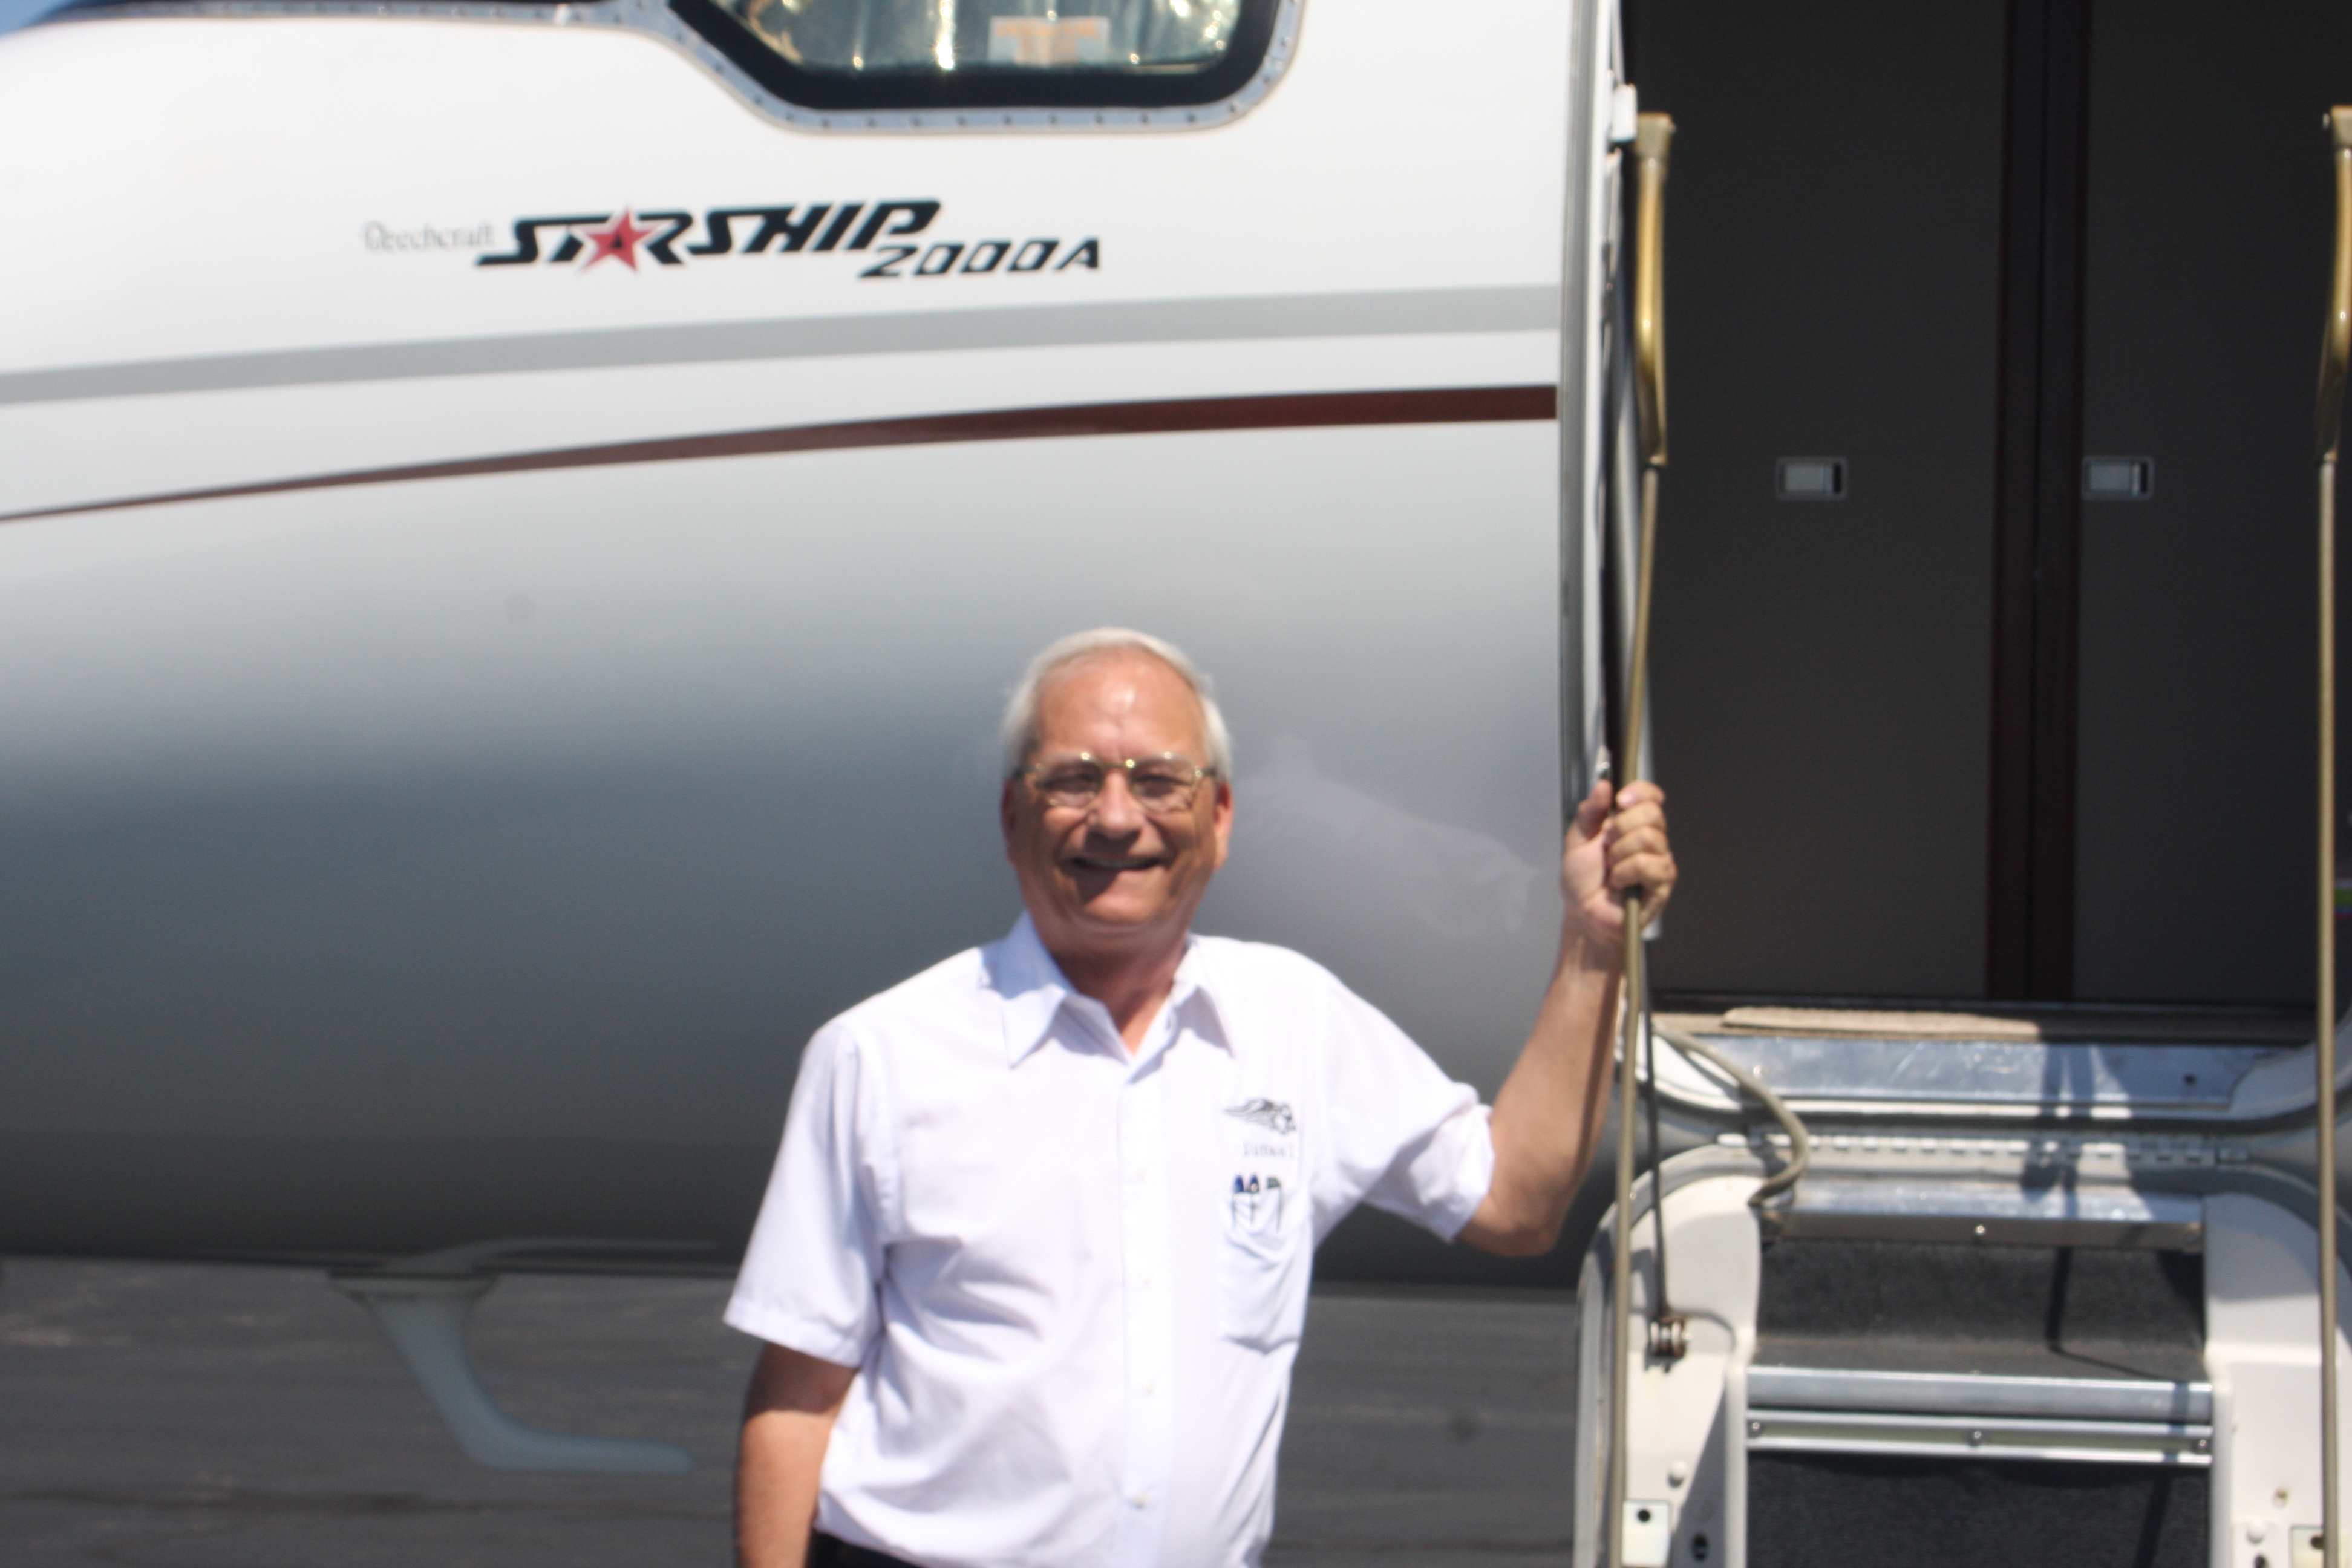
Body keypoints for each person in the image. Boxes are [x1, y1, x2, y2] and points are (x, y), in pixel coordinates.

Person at [727, 627, 1676, 1568]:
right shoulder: (880, 1056)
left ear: (1219, 818)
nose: (1115, 817)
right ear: (1012, 818)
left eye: (1158, 781)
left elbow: (1513, 1203)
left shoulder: (1294, 1020)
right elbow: (797, 1397)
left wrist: (1593, 946)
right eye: (1073, 780)